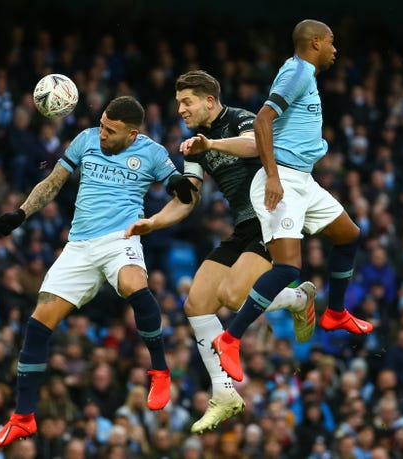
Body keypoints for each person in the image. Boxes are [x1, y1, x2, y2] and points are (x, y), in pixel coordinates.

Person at [0, 96, 197, 447]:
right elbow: (53, 182)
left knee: (135, 287)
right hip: (79, 245)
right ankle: (23, 417)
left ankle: (160, 371)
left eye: (110, 130)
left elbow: (179, 188)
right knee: (37, 326)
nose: (101, 134)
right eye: (101, 124)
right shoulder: (84, 139)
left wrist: (176, 186)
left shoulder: (153, 153)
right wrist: (21, 213)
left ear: (132, 135)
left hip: (121, 237)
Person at [124, 70, 316, 433]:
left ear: (209, 101)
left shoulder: (242, 119)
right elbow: (189, 199)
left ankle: (296, 299)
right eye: (178, 102)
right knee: (196, 303)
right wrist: (154, 222)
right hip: (245, 226)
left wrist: (209, 145)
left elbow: (255, 146)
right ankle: (224, 394)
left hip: (275, 218)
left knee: (232, 296)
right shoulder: (193, 142)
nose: (180, 109)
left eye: (187, 101)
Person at [212, 19, 373, 383]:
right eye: (332, 42)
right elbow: (263, 120)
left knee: (348, 234)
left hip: (303, 180)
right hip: (281, 179)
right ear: (314, 43)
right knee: (287, 270)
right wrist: (271, 175)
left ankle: (334, 312)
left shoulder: (306, 75)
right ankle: (229, 338)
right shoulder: (298, 71)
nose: (336, 49)